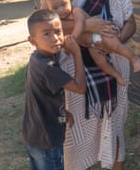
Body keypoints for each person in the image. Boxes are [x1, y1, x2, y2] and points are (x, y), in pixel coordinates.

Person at [40, 0, 138, 170]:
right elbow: (43, 23)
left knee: (113, 129)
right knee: (75, 134)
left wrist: (113, 41)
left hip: (111, 66)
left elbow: (131, 23)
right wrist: (87, 25)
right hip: (73, 72)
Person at [22, 9, 86, 170]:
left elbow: (44, 93)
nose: (55, 38)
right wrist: (77, 54)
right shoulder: (48, 67)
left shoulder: (37, 57)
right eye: (46, 34)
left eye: (58, 32)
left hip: (34, 134)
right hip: (47, 139)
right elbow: (80, 88)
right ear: (32, 40)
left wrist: (62, 111)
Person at [43, 0, 140, 86]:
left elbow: (80, 25)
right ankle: (116, 75)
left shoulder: (76, 12)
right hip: (92, 45)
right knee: (100, 62)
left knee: (116, 46)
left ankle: (134, 58)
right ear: (49, 9)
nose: (61, 10)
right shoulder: (57, 21)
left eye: (63, 4)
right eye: (55, 8)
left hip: (102, 33)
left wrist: (73, 37)